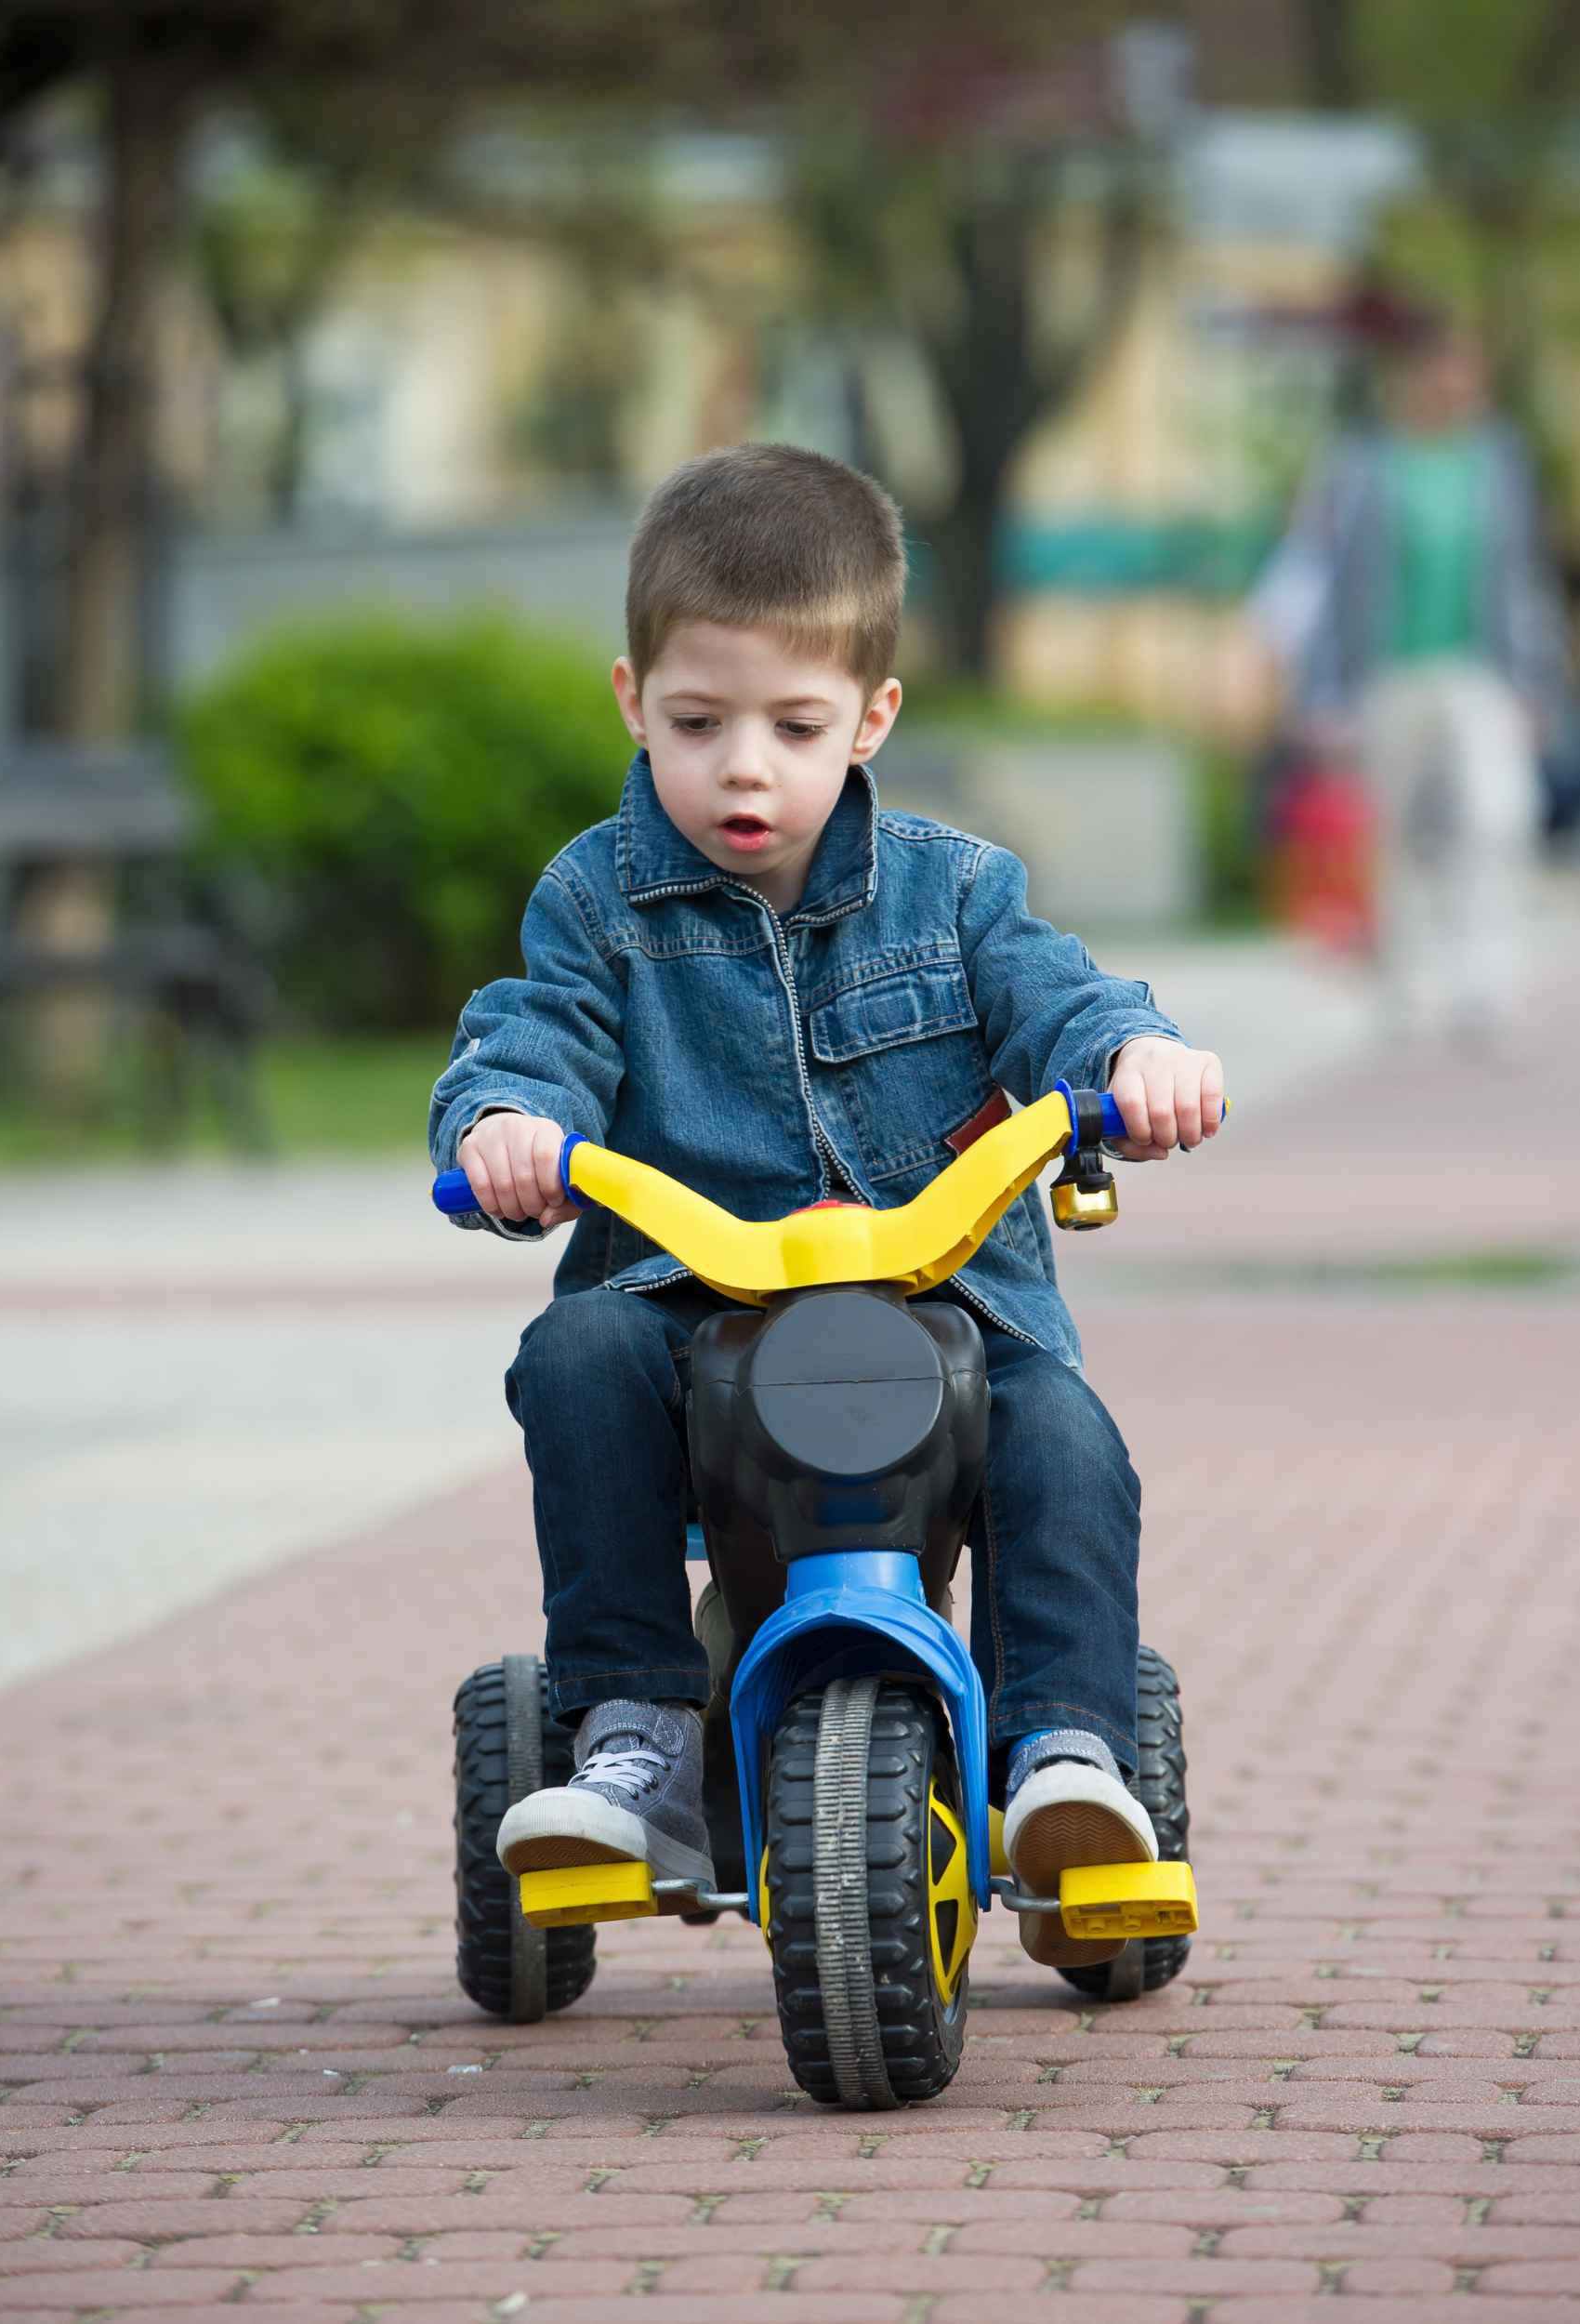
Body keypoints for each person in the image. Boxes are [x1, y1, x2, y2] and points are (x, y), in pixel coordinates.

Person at [428, 442, 1224, 1967]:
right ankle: (637, 1733)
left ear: (872, 718)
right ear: (628, 700)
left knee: (1064, 1432)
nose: (744, 768)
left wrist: (1135, 1057)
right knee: (574, 1353)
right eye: (697, 722)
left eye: (794, 728)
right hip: (691, 1331)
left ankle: (1066, 1760)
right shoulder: (598, 902)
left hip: (950, 1326)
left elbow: (1060, 999)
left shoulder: (959, 893)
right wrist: (513, 1125)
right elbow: (534, 1034)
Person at [1250, 318, 1571, 1045]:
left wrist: (1536, 682)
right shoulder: (1361, 464)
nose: (1452, 388)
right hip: (1383, 672)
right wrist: (1322, 693)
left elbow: (1523, 578)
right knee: (1387, 835)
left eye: (1464, 374)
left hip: (1478, 669)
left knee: (1497, 819)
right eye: (1438, 373)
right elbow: (1323, 577)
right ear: (1409, 380)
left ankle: (1484, 988)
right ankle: (1402, 991)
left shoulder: (1497, 462)